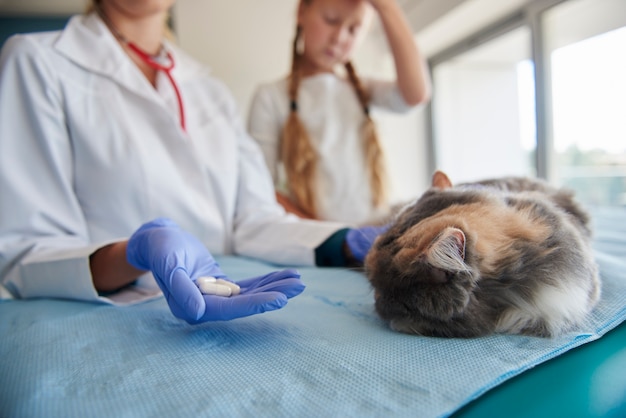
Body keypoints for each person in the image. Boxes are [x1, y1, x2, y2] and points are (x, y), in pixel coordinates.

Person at [0, 0, 387, 325]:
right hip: (105, 322)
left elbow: (252, 221)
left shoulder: (211, 91)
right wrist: (132, 254)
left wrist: (344, 240)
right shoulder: (36, 62)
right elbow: (26, 252)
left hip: (232, 308)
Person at [247, 0, 431, 224]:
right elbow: (262, 187)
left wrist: (387, 7)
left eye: (354, 29)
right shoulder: (270, 97)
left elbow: (416, 95)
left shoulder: (362, 90)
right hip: (322, 246)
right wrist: (332, 238)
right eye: (331, 20)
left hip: (377, 235)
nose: (340, 37)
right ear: (301, 12)